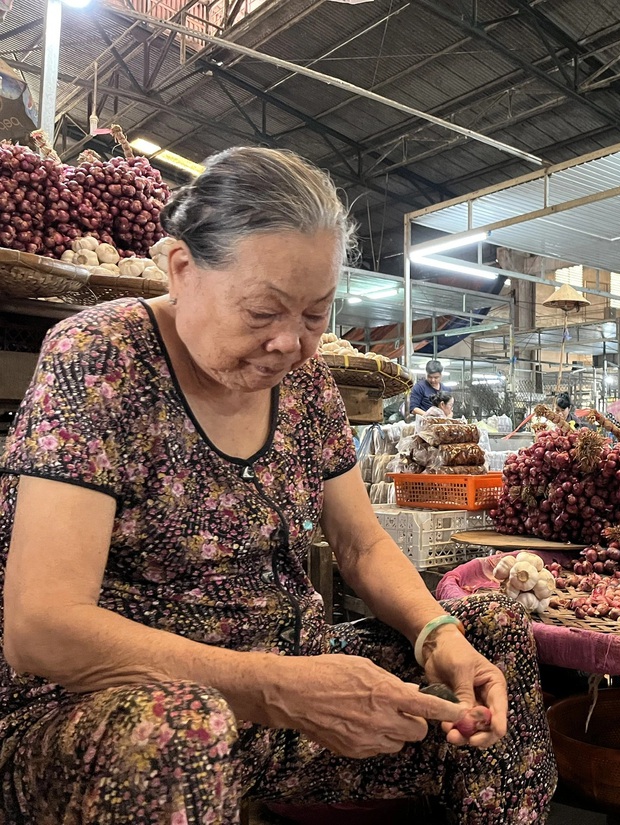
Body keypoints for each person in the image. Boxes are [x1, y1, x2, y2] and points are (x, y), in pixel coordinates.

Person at [0, 147, 555, 823]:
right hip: (117, 710)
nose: (291, 343)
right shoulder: (100, 359)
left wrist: (438, 635)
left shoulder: (307, 386)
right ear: (180, 268)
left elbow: (361, 546)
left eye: (316, 315)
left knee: (492, 631)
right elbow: (41, 628)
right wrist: (273, 687)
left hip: (286, 685)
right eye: (263, 311)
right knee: (183, 727)